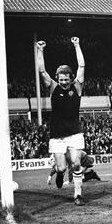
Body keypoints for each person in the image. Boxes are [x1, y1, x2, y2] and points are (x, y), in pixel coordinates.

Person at [36, 37, 86, 206]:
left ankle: (78, 195)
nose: (64, 82)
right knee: (62, 167)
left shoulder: (77, 87)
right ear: (58, 78)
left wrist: (77, 45)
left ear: (71, 78)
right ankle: (59, 173)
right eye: (61, 79)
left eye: (67, 79)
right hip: (57, 134)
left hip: (74, 132)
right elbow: (42, 71)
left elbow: (82, 66)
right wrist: (40, 50)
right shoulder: (53, 87)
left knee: (77, 163)